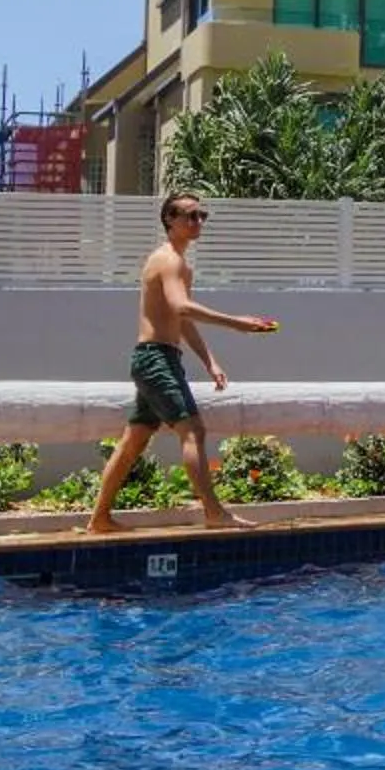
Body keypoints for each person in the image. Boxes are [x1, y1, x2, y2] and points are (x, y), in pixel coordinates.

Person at [89, 191, 276, 534]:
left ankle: (99, 519)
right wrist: (238, 323)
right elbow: (182, 307)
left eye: (202, 215)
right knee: (193, 431)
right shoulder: (169, 260)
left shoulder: (177, 262)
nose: (197, 221)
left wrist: (210, 361)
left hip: (159, 358)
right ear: (170, 220)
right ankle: (214, 512)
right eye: (190, 216)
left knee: (135, 440)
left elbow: (181, 320)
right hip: (155, 359)